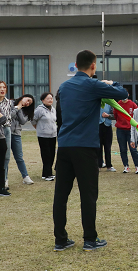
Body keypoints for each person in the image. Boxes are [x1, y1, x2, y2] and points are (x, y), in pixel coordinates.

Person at [53, 49, 128, 252]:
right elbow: (123, 94)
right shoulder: (93, 85)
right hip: (85, 147)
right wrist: (110, 83)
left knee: (61, 194)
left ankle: (60, 239)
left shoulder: (64, 86)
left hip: (64, 145)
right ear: (93, 66)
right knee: (88, 194)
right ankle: (89, 239)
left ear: (76, 65)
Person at [9, 94, 36, 185]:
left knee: (19, 157)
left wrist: (19, 108)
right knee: (5, 157)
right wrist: (17, 107)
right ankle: (4, 179)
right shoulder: (10, 103)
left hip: (16, 134)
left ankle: (25, 177)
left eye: (30, 103)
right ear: (23, 97)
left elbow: (22, 121)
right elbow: (9, 115)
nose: (28, 103)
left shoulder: (26, 110)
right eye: (28, 100)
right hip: (6, 133)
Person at [32, 92, 58, 181]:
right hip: (43, 136)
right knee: (46, 155)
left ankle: (45, 173)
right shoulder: (39, 109)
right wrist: (40, 128)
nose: (50, 100)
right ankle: (48, 174)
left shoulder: (53, 109)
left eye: (51, 98)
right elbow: (33, 120)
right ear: (43, 100)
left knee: (52, 154)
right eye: (48, 98)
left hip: (53, 135)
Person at [115, 97, 138, 174]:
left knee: (133, 149)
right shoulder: (118, 104)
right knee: (123, 149)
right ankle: (126, 166)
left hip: (130, 129)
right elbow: (115, 115)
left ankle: (137, 167)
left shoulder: (132, 104)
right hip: (120, 129)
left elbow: (136, 115)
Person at [98, 102, 115, 171]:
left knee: (108, 147)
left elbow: (115, 115)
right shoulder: (96, 102)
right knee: (98, 147)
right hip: (98, 126)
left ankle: (109, 165)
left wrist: (108, 115)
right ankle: (99, 165)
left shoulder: (110, 103)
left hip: (107, 126)